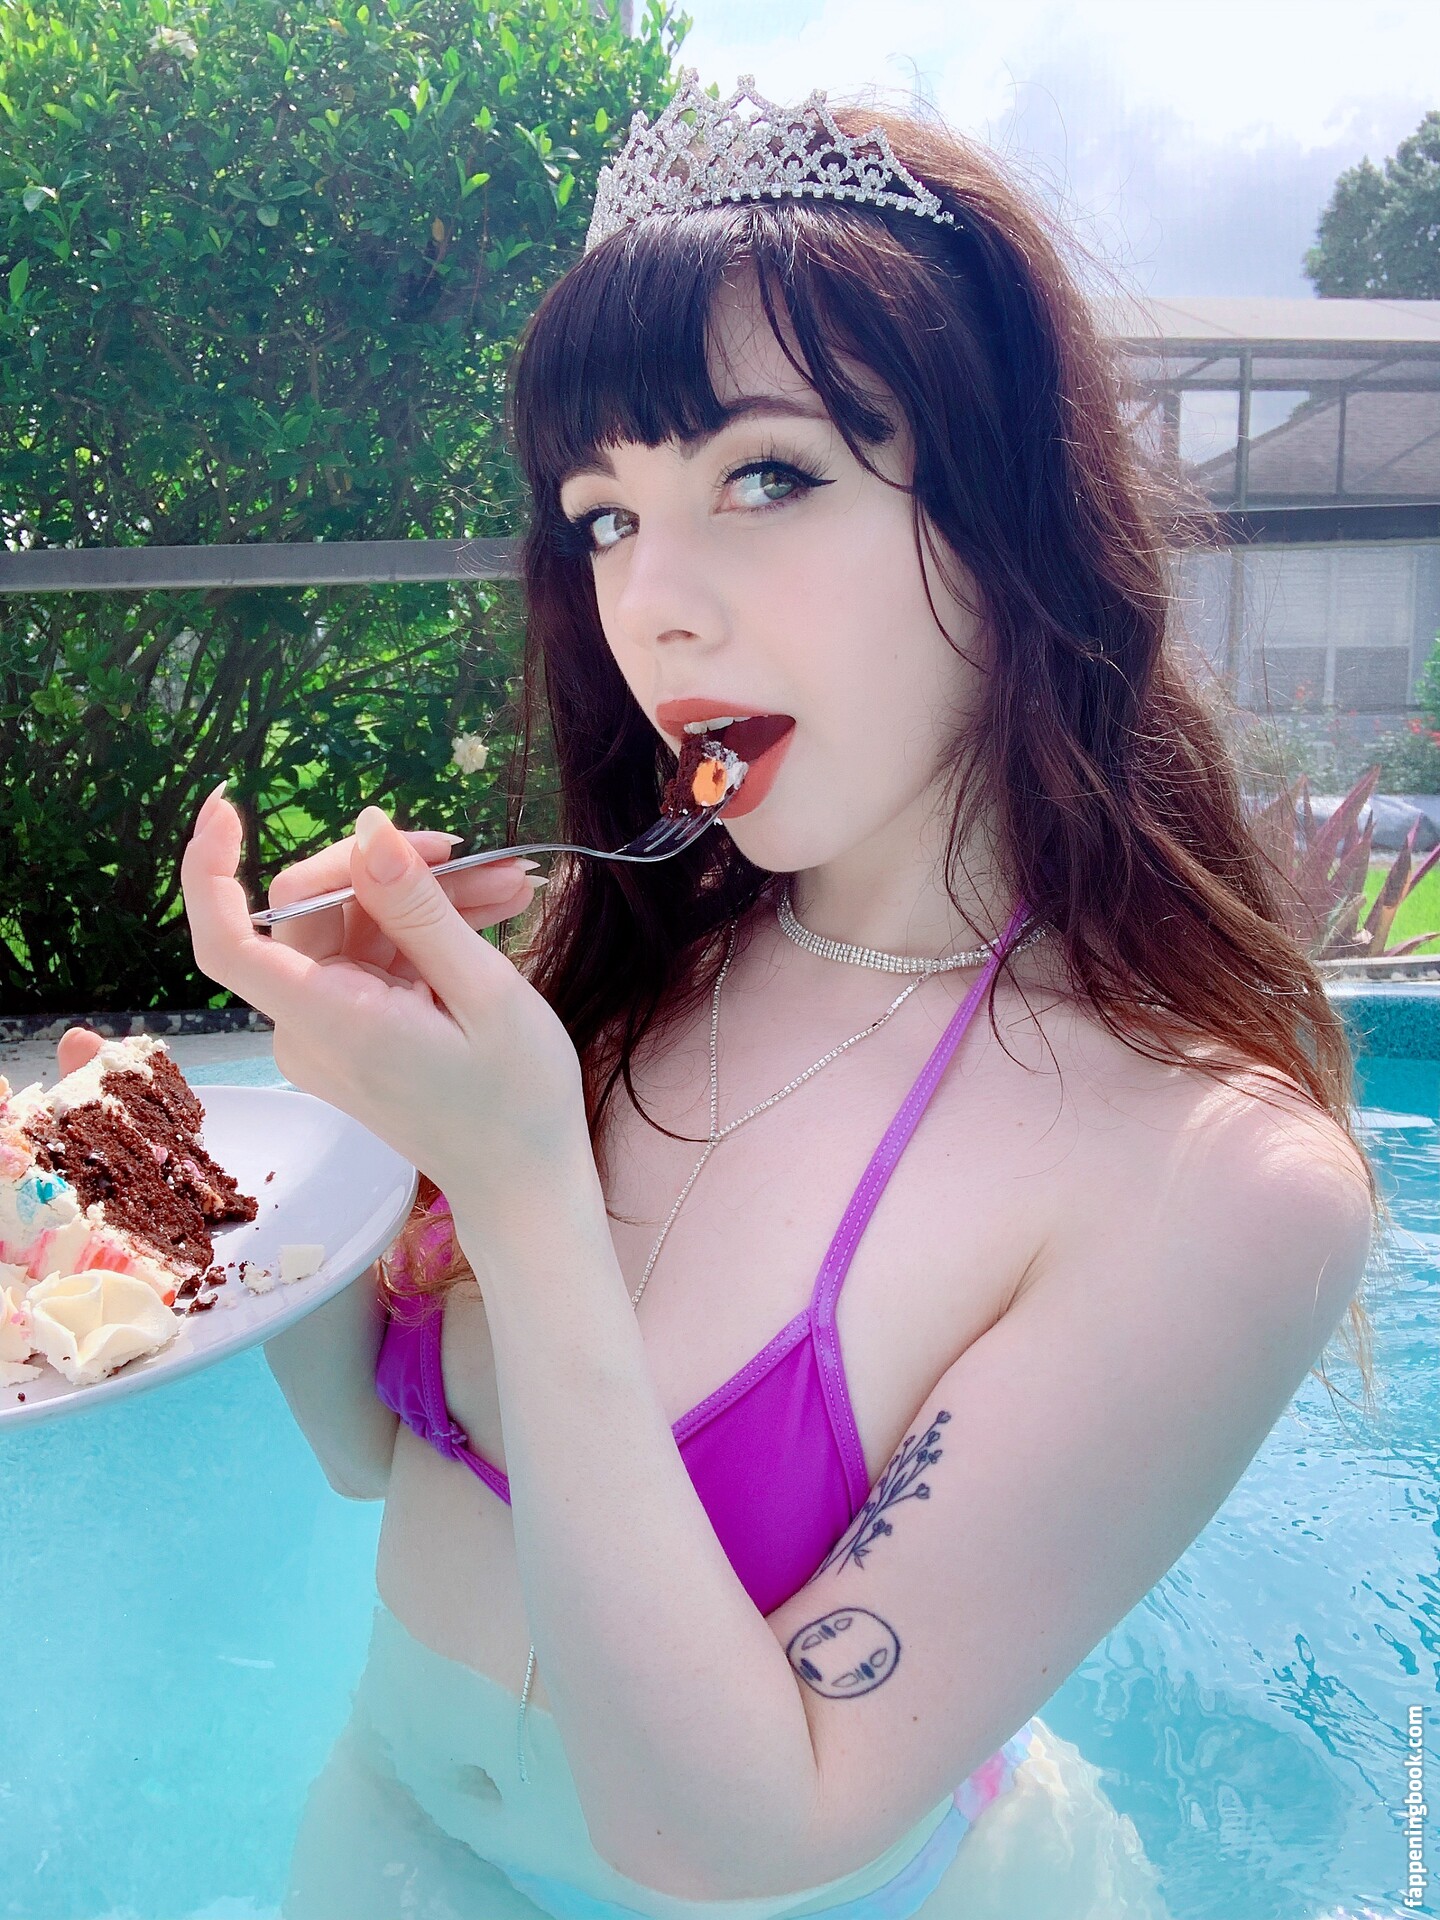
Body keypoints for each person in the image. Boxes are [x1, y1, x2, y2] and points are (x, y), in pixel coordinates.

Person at [122, 70, 1373, 1919]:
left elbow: (733, 1836)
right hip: (394, 1825)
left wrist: (527, 1194)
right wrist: (292, 1148)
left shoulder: (1215, 1174)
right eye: (603, 518)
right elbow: (371, 1456)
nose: (654, 607)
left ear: (1010, 514)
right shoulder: (617, 961)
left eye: (766, 478)